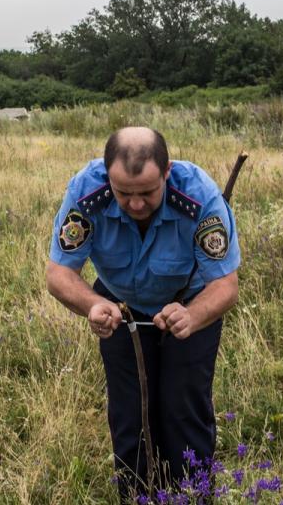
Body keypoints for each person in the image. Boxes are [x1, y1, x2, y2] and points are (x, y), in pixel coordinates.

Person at [45, 127, 240, 497]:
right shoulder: (86, 194)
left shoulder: (198, 196)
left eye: (148, 193)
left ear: (167, 172)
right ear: (107, 176)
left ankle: (193, 496)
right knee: (131, 414)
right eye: (123, 194)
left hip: (190, 304)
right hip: (119, 306)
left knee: (184, 409)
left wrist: (192, 316)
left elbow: (225, 286)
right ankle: (138, 496)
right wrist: (93, 305)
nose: (135, 204)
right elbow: (58, 273)